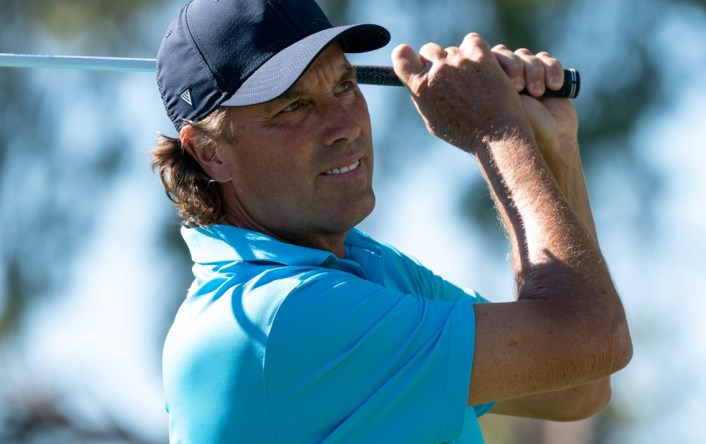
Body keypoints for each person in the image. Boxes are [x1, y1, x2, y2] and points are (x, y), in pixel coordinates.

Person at [152, 0, 633, 442]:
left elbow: (576, 385)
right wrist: (496, 129)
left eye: (344, 85)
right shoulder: (282, 316)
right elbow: (588, 339)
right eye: (293, 106)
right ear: (209, 152)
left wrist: (553, 145)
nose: (345, 127)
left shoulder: (364, 268)